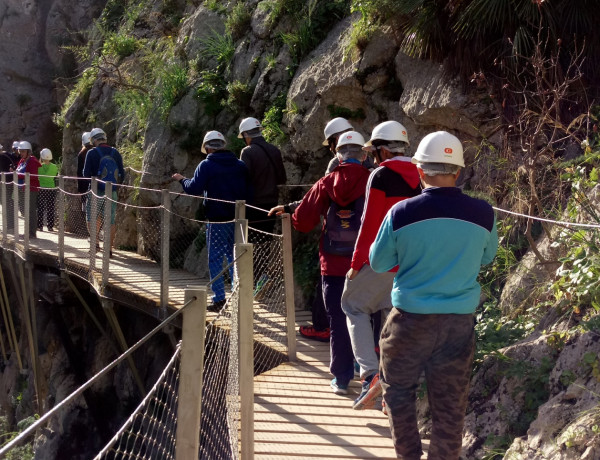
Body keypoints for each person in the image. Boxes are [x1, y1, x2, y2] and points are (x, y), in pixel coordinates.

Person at [369, 131, 498, 460]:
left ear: (420, 170)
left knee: (399, 398)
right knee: (450, 409)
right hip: (458, 324)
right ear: (458, 171)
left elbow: (379, 261)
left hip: (409, 322)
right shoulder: (484, 213)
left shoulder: (400, 213)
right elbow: (487, 257)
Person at [340, 121, 421, 410]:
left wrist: (356, 262)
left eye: (373, 152)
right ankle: (390, 384)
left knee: (352, 305)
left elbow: (370, 221)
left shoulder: (381, 175)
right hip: (411, 261)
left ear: (382, 150)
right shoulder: (422, 173)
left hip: (383, 257)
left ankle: (370, 375)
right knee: (389, 315)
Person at [291, 131, 371, 395]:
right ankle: (365, 368)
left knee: (337, 318)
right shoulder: (373, 180)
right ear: (364, 153)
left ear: (338, 154)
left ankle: (341, 377)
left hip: (333, 262)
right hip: (365, 261)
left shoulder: (327, 182)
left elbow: (302, 221)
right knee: (366, 315)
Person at [172, 131, 252, 311]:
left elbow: (194, 189)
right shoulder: (240, 165)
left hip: (216, 219)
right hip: (238, 218)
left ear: (207, 148)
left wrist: (181, 179)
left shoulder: (206, 165)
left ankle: (219, 299)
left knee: (215, 258)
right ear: (223, 145)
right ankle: (238, 295)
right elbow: (248, 190)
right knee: (236, 256)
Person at [83, 127, 125, 255]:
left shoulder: (92, 153)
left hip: (96, 191)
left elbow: (86, 174)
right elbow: (122, 174)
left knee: (92, 217)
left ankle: (95, 245)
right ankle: (109, 249)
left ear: (93, 140)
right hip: (111, 191)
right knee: (110, 220)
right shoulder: (115, 152)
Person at [15, 141, 41, 238]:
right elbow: (19, 171)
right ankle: (28, 231)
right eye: (20, 151)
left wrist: (20, 175)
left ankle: (32, 233)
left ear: (28, 152)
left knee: (30, 210)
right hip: (23, 188)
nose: (21, 153)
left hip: (31, 189)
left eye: (23, 151)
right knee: (25, 211)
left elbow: (33, 176)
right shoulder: (22, 161)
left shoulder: (32, 161)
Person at [38, 148, 58, 231]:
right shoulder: (55, 167)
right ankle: (50, 226)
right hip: (51, 189)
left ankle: (40, 225)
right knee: (50, 207)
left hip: (41, 188)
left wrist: (40, 159)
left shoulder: (39, 167)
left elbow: (37, 169)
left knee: (40, 207)